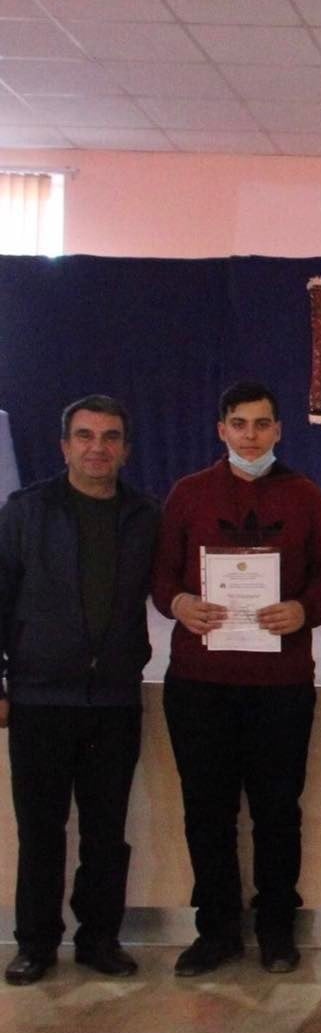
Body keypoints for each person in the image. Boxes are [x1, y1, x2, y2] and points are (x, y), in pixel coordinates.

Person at [152, 380, 321, 977]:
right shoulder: (189, 494)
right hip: (200, 682)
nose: (251, 435)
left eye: (262, 424)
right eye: (239, 424)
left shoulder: (304, 495)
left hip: (280, 684)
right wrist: (179, 603)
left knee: (277, 812)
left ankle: (276, 930)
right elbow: (160, 577)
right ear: (222, 430)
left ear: (279, 430)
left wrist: (304, 610)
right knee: (207, 811)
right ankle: (216, 931)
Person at [1, 396, 159, 985]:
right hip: (40, 698)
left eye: (110, 437)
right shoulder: (26, 511)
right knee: (41, 831)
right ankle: (35, 944)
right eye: (86, 436)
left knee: (106, 832)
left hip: (113, 699)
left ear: (126, 449)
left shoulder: (146, 515)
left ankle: (100, 939)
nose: (98, 447)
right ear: (64, 445)